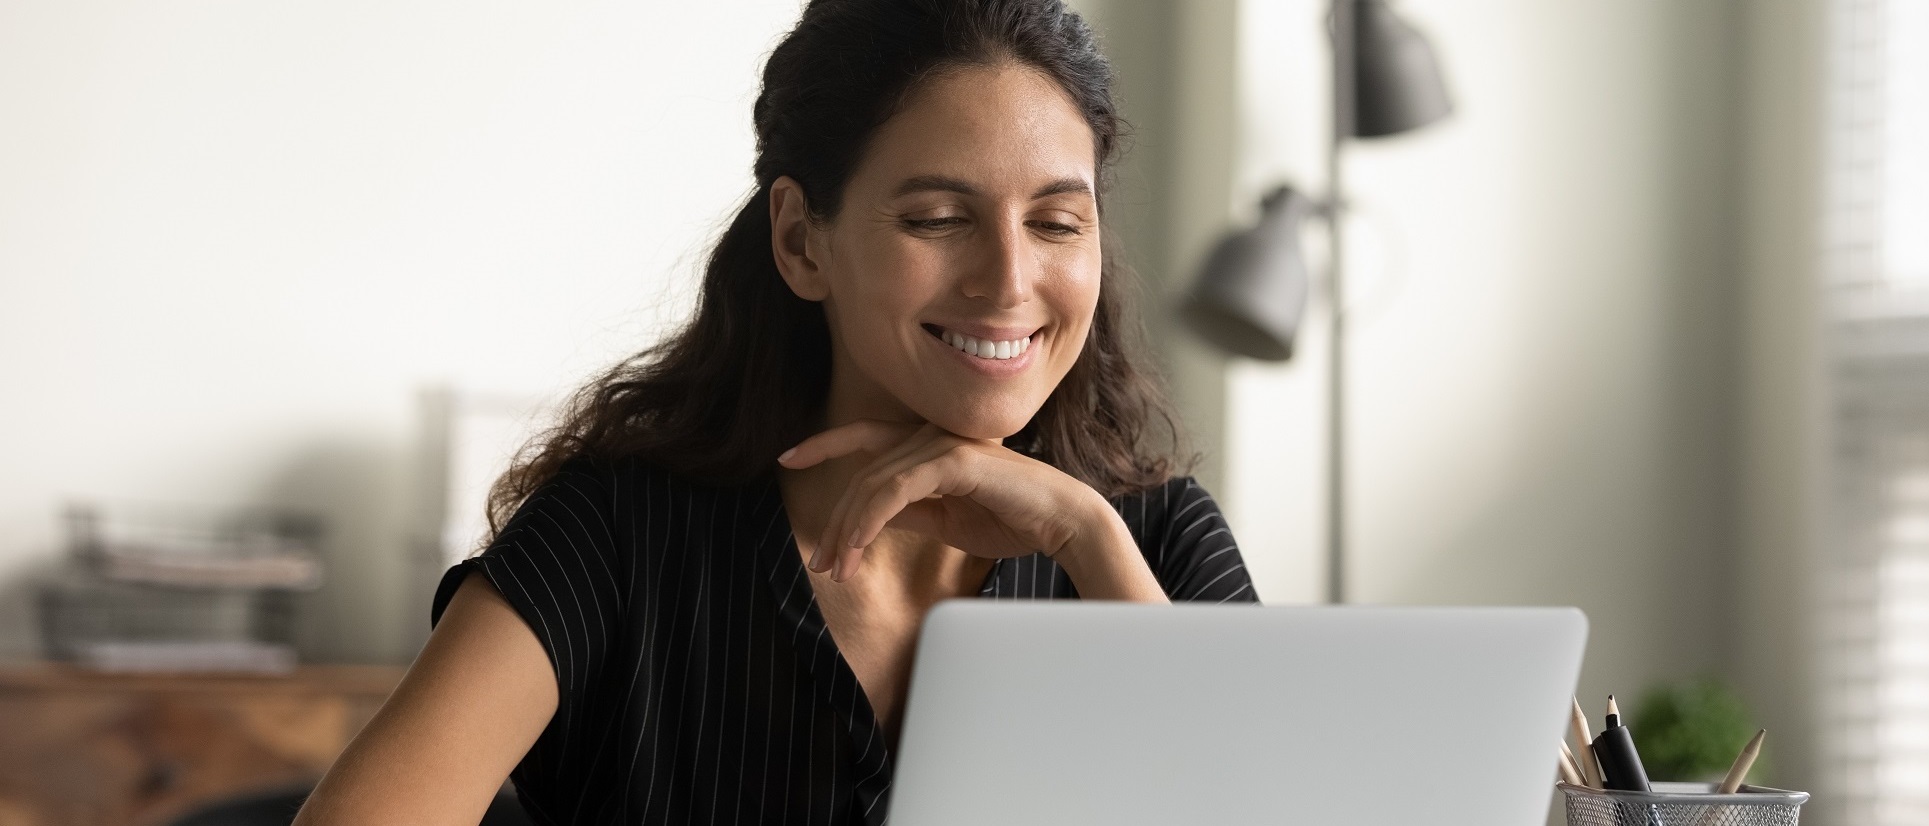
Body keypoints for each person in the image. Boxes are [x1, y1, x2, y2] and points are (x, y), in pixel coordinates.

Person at [295, 0, 1258, 823]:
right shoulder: (615, 537)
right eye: (936, 218)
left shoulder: (1155, 541)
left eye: (1056, 223)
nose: (1009, 282)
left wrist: (1083, 535)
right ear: (801, 239)